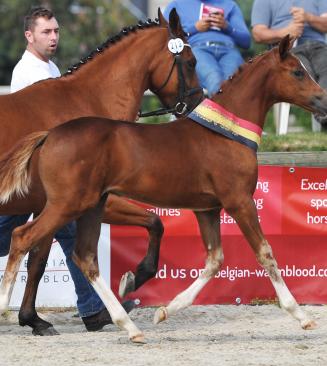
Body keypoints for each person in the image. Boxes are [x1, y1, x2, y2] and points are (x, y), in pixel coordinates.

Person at [2, 6, 134, 332]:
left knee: (65, 230)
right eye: (46, 32)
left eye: (56, 31)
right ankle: (89, 308)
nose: (54, 37)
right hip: (29, 175)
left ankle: (89, 308)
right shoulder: (28, 73)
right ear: (29, 36)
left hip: (45, 177)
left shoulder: (52, 69)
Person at [251, 0, 327, 132]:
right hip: (289, 50)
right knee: (303, 76)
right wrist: (285, 32)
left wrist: (308, 17)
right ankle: (324, 116)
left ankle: (324, 115)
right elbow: (258, 34)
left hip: (319, 47)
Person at [164, 0, 251, 97]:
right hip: (197, 49)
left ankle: (220, 110)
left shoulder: (230, 4)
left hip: (229, 50)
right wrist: (194, 29)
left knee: (234, 85)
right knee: (215, 80)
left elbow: (246, 42)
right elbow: (165, 37)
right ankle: (221, 110)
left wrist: (227, 27)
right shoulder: (177, 4)